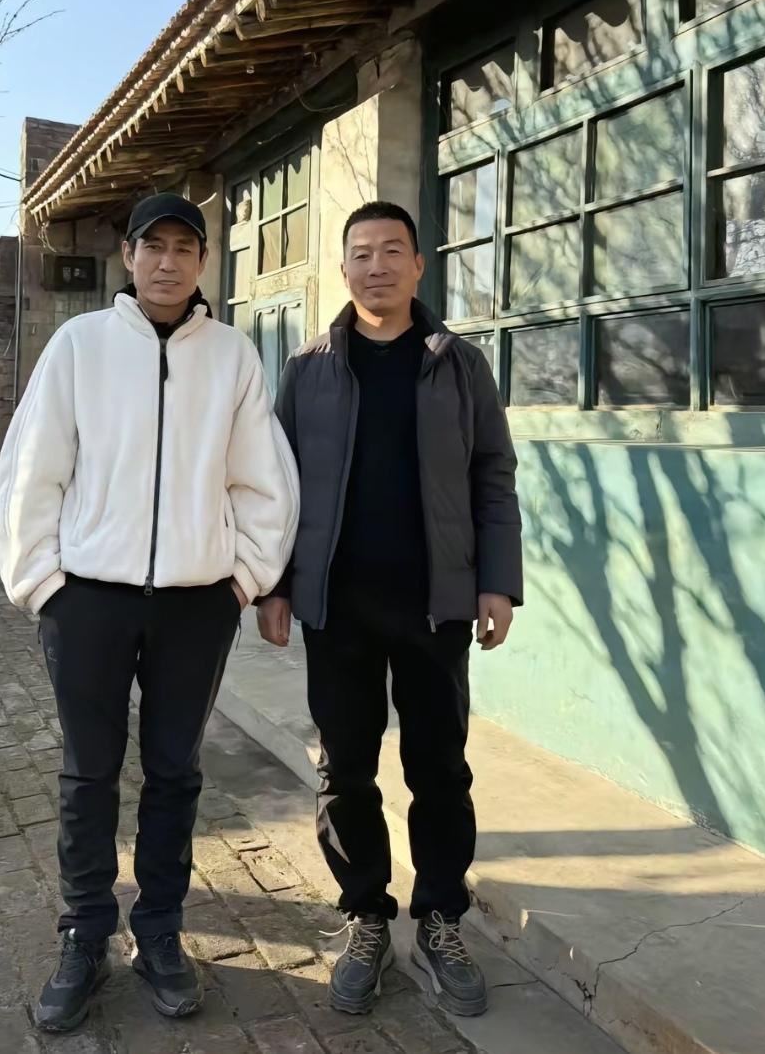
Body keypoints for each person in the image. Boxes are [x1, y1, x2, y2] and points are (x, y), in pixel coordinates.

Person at [0, 193, 299, 1034]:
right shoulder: (80, 345)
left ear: (203, 262)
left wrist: (243, 578)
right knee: (88, 772)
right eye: (152, 246)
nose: (168, 262)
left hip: (197, 605)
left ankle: (160, 932)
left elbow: (262, 478)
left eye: (184, 248)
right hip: (88, 600)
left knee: (174, 772)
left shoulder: (232, 356)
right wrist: (42, 582)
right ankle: (84, 934)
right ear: (128, 257)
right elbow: (34, 467)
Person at [257, 200, 522, 1019]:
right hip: (336, 605)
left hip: (436, 604)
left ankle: (440, 920)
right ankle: (366, 916)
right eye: (362, 252)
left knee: (439, 768)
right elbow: (277, 488)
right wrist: (275, 586)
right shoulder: (308, 369)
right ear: (343, 269)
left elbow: (493, 475)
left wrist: (497, 581)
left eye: (392, 251)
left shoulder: (459, 364)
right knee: (345, 770)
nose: (377, 265)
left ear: (418, 265)